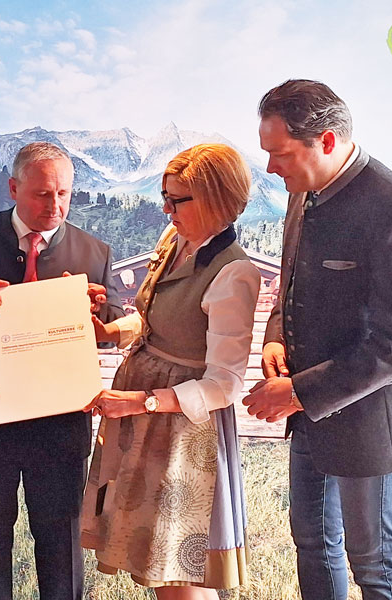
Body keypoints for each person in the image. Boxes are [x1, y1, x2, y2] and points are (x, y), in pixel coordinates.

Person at [243, 79, 392, 600]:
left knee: (373, 562)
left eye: (279, 153)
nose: (269, 168)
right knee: (311, 541)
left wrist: (299, 392)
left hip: (371, 424)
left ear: (327, 141)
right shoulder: (302, 192)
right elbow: (289, 281)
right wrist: (275, 336)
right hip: (308, 414)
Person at [0, 142, 123, 600]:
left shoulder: (95, 251)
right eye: (42, 195)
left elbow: (110, 324)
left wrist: (99, 315)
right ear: (13, 188)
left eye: (64, 195)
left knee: (61, 552)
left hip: (59, 430)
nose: (55, 206)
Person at [81, 144, 260, 599]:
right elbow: (152, 318)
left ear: (217, 199)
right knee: (156, 568)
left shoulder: (234, 273)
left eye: (178, 199)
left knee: (178, 575)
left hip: (181, 433)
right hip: (145, 417)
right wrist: (109, 329)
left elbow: (225, 383)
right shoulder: (175, 239)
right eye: (166, 196)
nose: (166, 208)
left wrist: (144, 402)